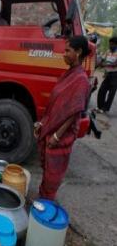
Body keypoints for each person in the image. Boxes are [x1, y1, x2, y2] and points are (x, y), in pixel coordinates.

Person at [34, 35, 91, 200]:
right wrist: (42, 123)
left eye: (68, 50)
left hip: (61, 136)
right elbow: (55, 105)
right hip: (52, 130)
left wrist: (57, 135)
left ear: (78, 52)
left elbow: (74, 113)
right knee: (47, 172)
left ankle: (46, 204)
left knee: (53, 176)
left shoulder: (81, 80)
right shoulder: (68, 74)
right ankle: (42, 199)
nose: (64, 54)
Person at [96, 36, 117, 114]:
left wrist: (104, 65)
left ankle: (105, 108)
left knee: (111, 93)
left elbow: (115, 64)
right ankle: (100, 107)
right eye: (110, 44)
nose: (110, 46)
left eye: (112, 44)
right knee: (102, 90)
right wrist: (98, 64)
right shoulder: (108, 51)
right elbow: (102, 60)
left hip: (115, 75)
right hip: (108, 74)